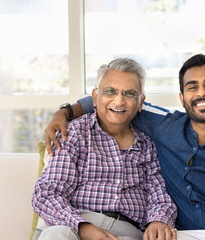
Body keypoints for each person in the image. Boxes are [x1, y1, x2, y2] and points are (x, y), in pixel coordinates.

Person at [45, 54, 205, 240]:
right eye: (193, 87)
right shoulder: (163, 125)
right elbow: (115, 98)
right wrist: (66, 111)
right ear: (182, 98)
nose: (202, 93)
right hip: (184, 234)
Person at [32, 58, 177, 240]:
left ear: (141, 102)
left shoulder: (148, 144)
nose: (119, 101)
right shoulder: (75, 133)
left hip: (126, 232)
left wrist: (159, 220)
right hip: (72, 224)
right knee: (56, 235)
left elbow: (159, 195)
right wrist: (83, 227)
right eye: (110, 91)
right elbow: (47, 193)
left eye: (130, 94)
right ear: (94, 97)